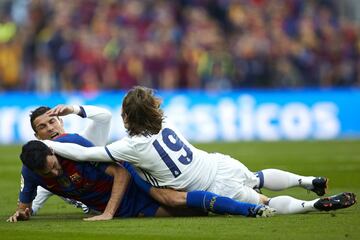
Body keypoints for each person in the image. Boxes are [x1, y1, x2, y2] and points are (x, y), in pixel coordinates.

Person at [43, 86, 357, 215]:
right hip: (219, 164)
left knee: (264, 201)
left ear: (127, 117)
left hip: (211, 186)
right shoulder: (167, 123)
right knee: (258, 178)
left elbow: (84, 154)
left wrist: (44, 143)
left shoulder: (131, 147)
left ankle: (312, 205)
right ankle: (306, 180)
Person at [7, 135, 275, 223]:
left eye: (54, 166)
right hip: (123, 206)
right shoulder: (30, 172)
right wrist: (22, 213)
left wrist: (108, 213)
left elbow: (120, 171)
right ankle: (256, 199)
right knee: (191, 211)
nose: (54, 174)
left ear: (52, 152)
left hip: (131, 181)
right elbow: (24, 205)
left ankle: (251, 207)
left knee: (170, 197)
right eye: (47, 174)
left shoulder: (72, 146)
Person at [28, 104, 113, 215]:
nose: (49, 128)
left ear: (61, 122)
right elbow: (30, 208)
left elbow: (105, 116)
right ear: (37, 136)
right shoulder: (50, 173)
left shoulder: (86, 140)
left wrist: (74, 109)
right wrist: (26, 212)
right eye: (42, 127)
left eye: (52, 121)